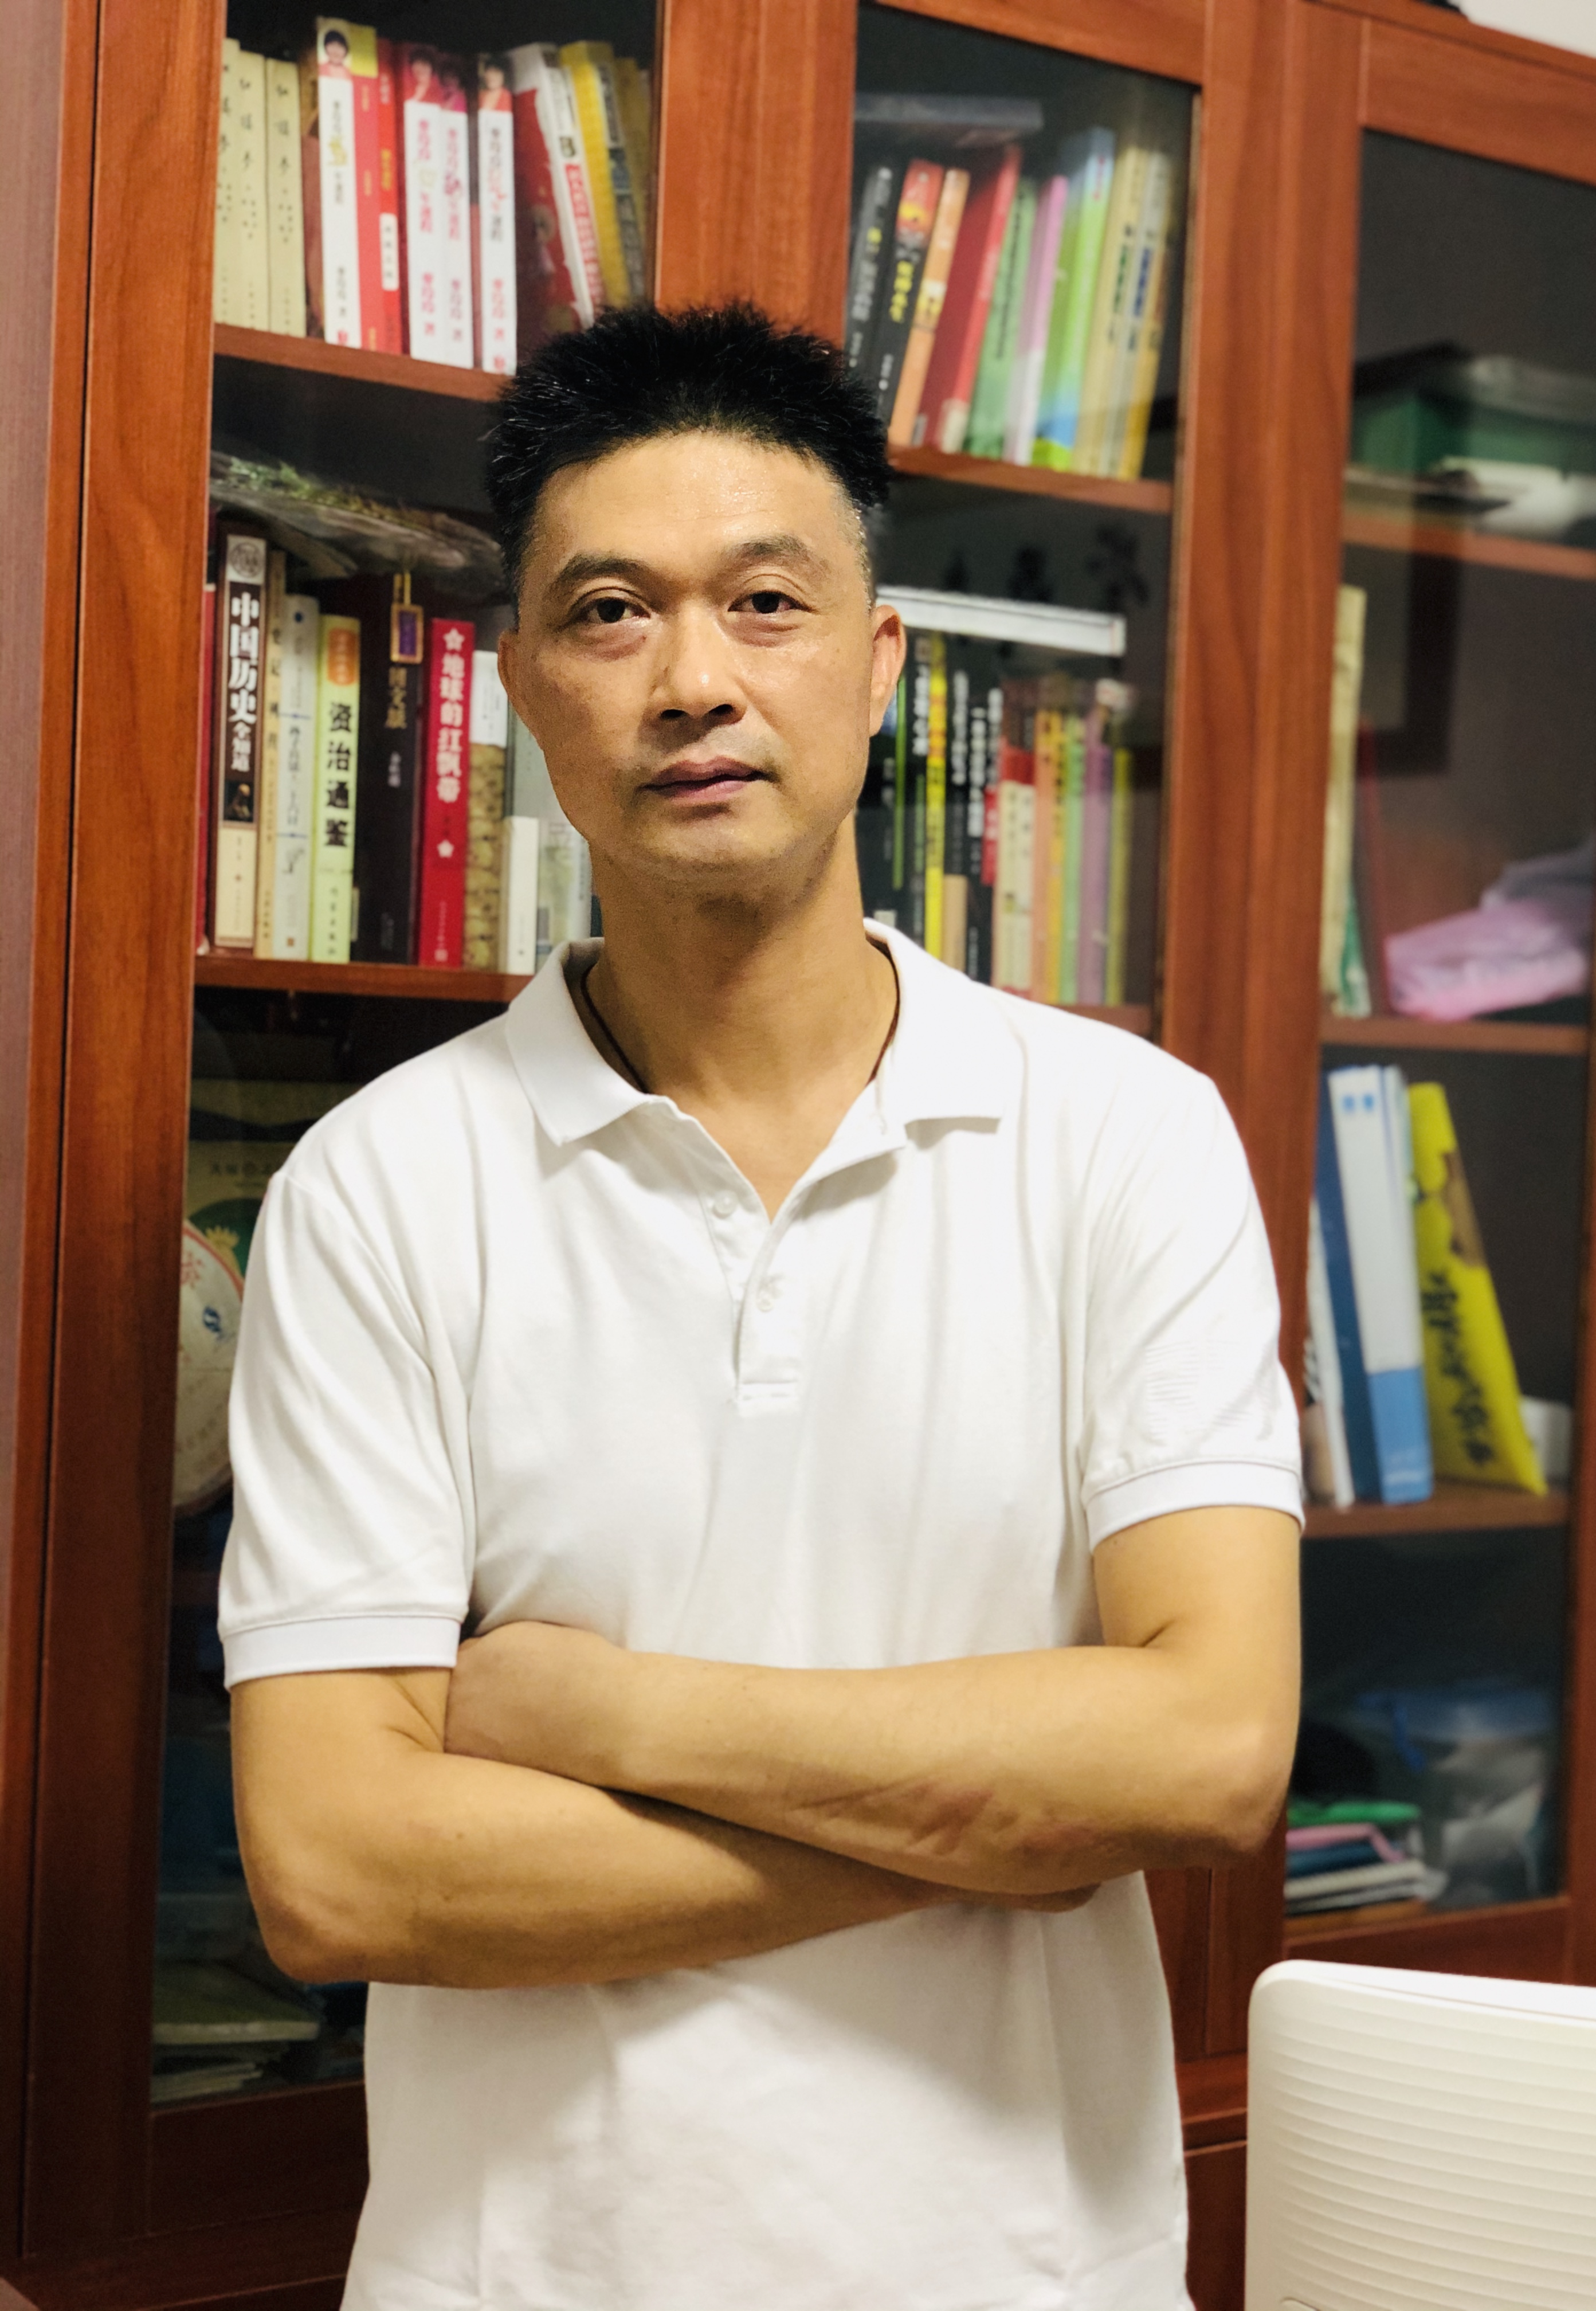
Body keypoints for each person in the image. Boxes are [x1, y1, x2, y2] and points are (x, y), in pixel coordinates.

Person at [223, 301, 1303, 2311]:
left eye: (768, 604)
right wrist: (1000, 1826)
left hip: (1028, 2274)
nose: (696, 681)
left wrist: (609, 1714)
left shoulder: (1123, 1136)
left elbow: (1215, 1749)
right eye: (611, 614)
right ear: (524, 689)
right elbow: (339, 1867)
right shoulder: (379, 1188)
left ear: (881, 664)